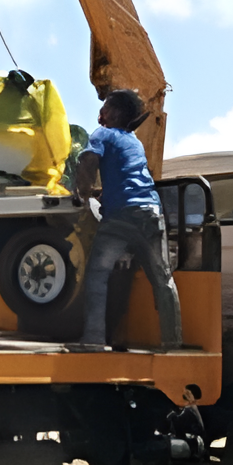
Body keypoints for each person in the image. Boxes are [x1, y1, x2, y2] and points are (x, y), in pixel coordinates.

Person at [73, 89, 181, 350]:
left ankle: (94, 339)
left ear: (117, 113)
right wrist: (103, 192)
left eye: (106, 108)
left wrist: (81, 195)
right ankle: (173, 343)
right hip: (151, 213)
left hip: (120, 217)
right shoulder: (134, 142)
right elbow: (126, 176)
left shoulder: (102, 134)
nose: (100, 113)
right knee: (162, 278)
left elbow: (88, 162)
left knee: (98, 274)